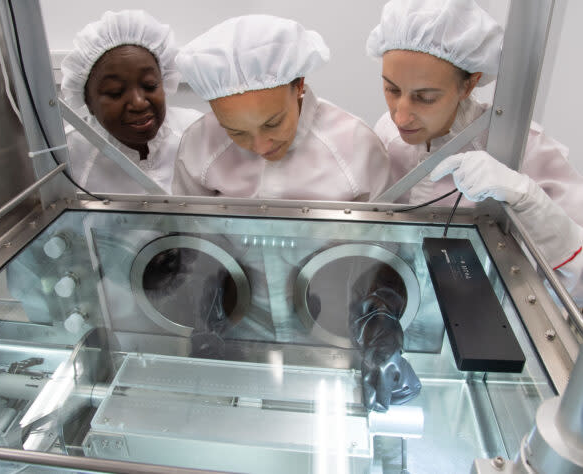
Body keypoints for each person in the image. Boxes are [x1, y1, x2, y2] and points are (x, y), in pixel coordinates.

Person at [367, 0, 583, 302]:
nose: (400, 117)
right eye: (392, 90)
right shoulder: (389, 134)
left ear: (469, 85)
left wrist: (530, 202)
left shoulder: (523, 146)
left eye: (425, 97)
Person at [172, 14, 391, 201]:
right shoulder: (199, 143)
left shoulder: (357, 147)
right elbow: (187, 235)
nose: (260, 147)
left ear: (299, 85)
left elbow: (382, 242)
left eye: (272, 123)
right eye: (236, 132)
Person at [60, 10, 202, 194]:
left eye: (150, 85)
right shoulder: (70, 152)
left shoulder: (197, 134)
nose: (139, 103)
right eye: (115, 92)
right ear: (88, 101)